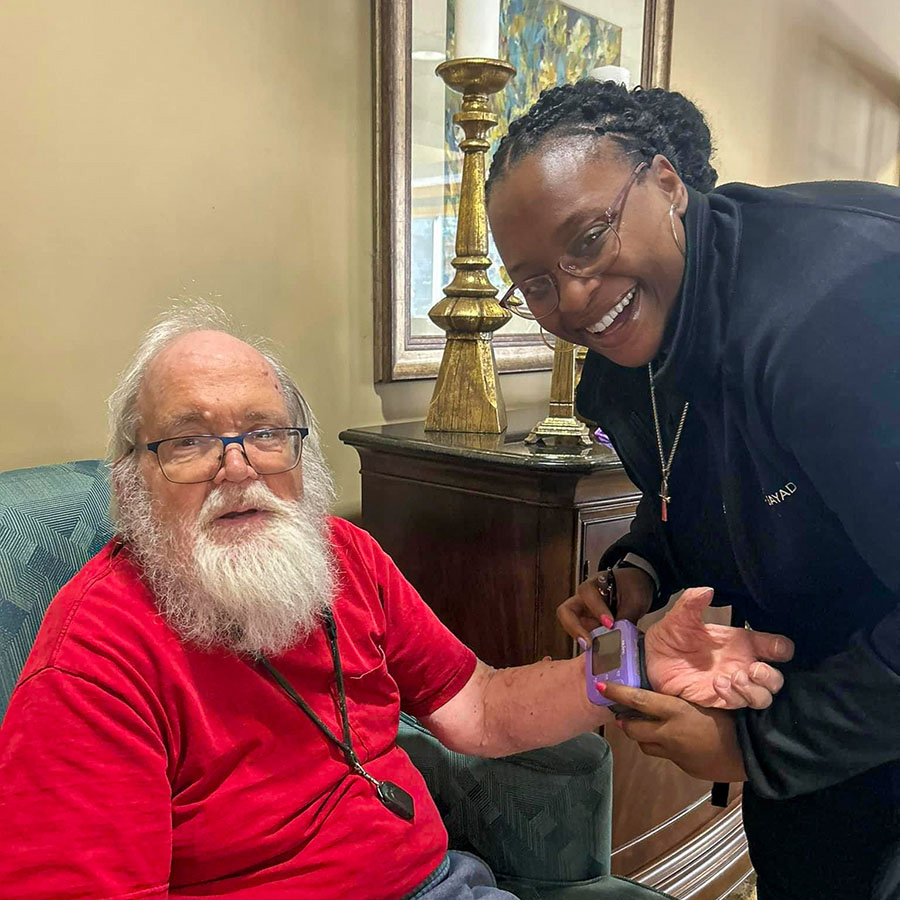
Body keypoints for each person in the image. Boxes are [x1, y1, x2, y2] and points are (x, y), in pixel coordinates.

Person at [0, 305, 792, 900]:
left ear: (298, 452)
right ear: (132, 480)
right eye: (189, 441)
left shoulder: (346, 557)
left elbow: (483, 707)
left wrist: (639, 656)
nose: (237, 467)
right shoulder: (90, 665)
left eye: (264, 432)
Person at [484, 79, 900, 900]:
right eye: (533, 282)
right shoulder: (629, 356)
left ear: (669, 183)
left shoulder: (835, 315)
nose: (570, 299)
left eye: (590, 238)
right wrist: (638, 569)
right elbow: (684, 481)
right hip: (823, 685)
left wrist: (756, 748)